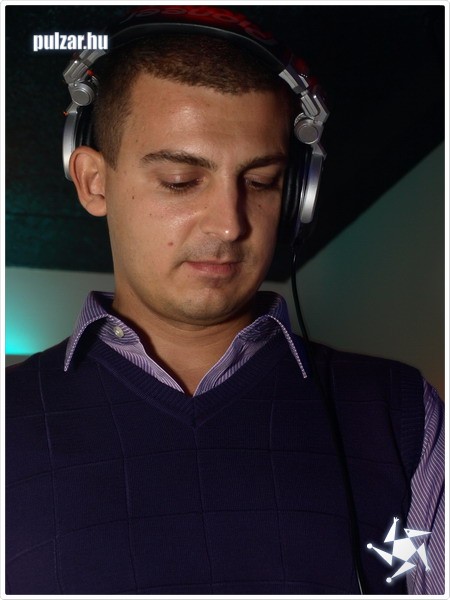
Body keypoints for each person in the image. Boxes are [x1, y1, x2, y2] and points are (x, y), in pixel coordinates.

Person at [5, 6, 444, 596]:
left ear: (299, 195)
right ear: (93, 181)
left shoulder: (404, 413)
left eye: (261, 182)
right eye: (181, 181)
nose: (230, 223)